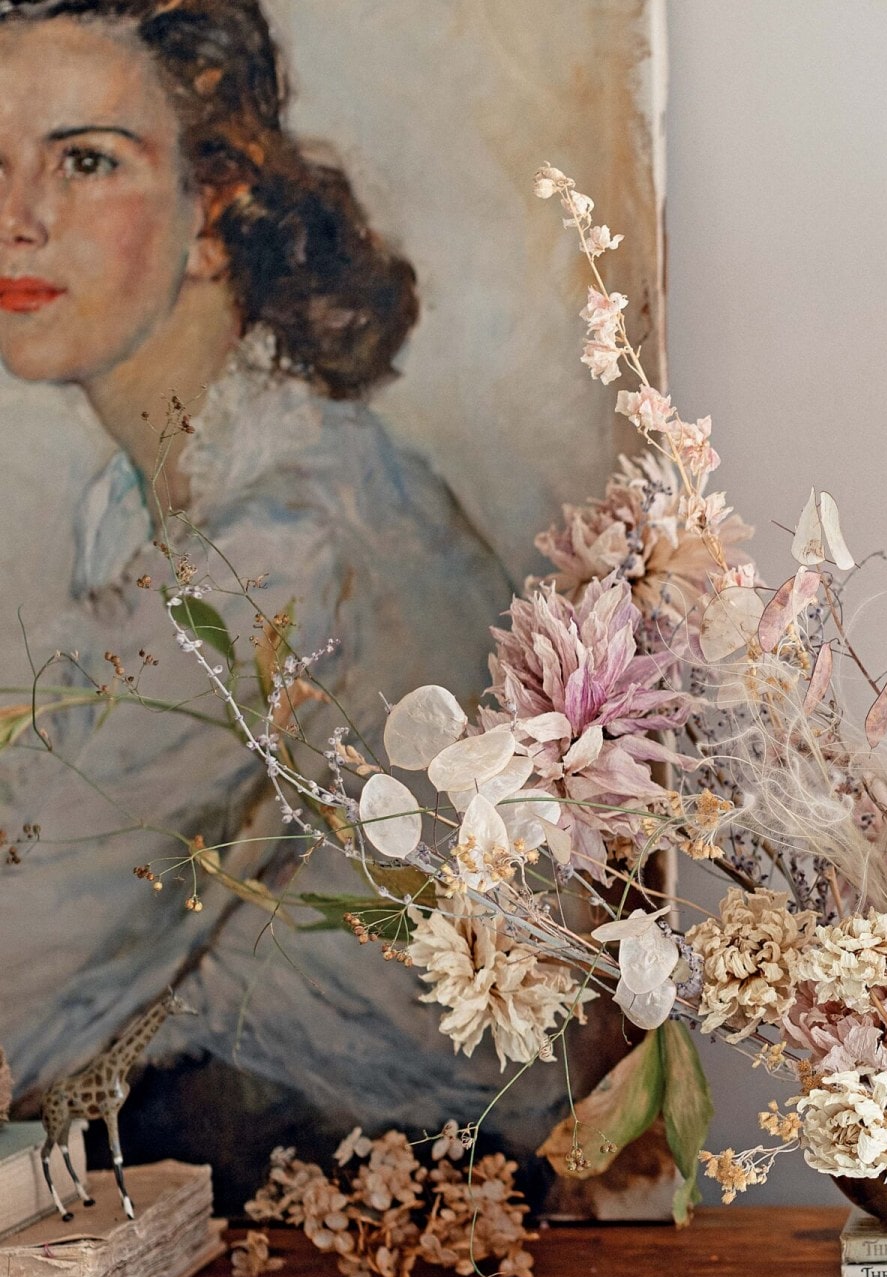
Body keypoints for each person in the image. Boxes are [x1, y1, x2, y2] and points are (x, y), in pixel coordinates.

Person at [0, 0, 560, 1200]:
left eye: (84, 161)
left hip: (383, 1184)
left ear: (216, 205)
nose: (18, 221)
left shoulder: (291, 537)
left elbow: (30, 966)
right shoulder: (139, 495)